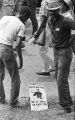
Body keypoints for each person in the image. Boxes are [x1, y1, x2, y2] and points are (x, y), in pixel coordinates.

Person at [32, 0, 75, 113]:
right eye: (49, 12)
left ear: (58, 11)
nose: (51, 14)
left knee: (61, 79)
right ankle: (68, 99)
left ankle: (65, 106)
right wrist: (53, 40)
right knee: (59, 78)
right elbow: (52, 31)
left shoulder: (66, 21)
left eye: (53, 12)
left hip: (65, 52)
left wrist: (69, 41)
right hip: (56, 52)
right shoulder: (51, 20)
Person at [0, 6, 31, 106]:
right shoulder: (21, 25)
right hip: (6, 49)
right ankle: (13, 102)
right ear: (24, 15)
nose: (26, 21)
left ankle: (1, 98)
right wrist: (21, 61)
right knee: (15, 77)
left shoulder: (4, 18)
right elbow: (17, 44)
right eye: (27, 18)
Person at [36, 0, 55, 76]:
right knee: (43, 50)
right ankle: (46, 69)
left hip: (45, 28)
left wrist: (38, 31)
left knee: (42, 51)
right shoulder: (51, 1)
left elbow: (44, 17)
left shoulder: (45, 2)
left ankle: (54, 65)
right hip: (48, 28)